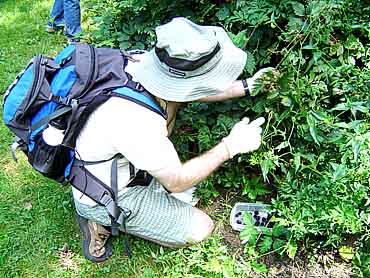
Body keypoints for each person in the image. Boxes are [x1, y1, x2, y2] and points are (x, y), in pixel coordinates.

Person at [72, 17, 273, 262]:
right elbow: (177, 181)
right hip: (106, 192)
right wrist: (231, 146)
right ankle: (100, 220)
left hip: (121, 165)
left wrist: (248, 86)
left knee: (190, 193)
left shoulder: (142, 63)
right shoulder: (136, 122)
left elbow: (192, 88)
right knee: (200, 227)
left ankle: (146, 200)